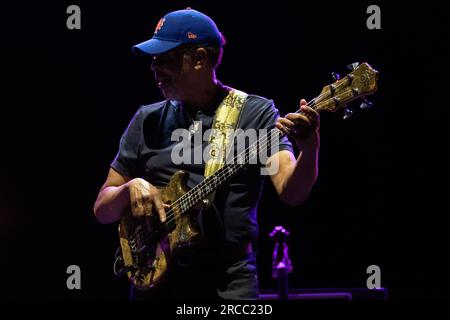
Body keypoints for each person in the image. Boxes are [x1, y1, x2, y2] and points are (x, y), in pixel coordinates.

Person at [93, 8, 320, 300]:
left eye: (165, 59)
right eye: (153, 60)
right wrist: (128, 188)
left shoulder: (256, 112)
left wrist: (310, 146)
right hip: (157, 279)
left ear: (199, 58)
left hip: (229, 280)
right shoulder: (145, 119)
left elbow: (292, 192)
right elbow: (103, 209)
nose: (155, 68)